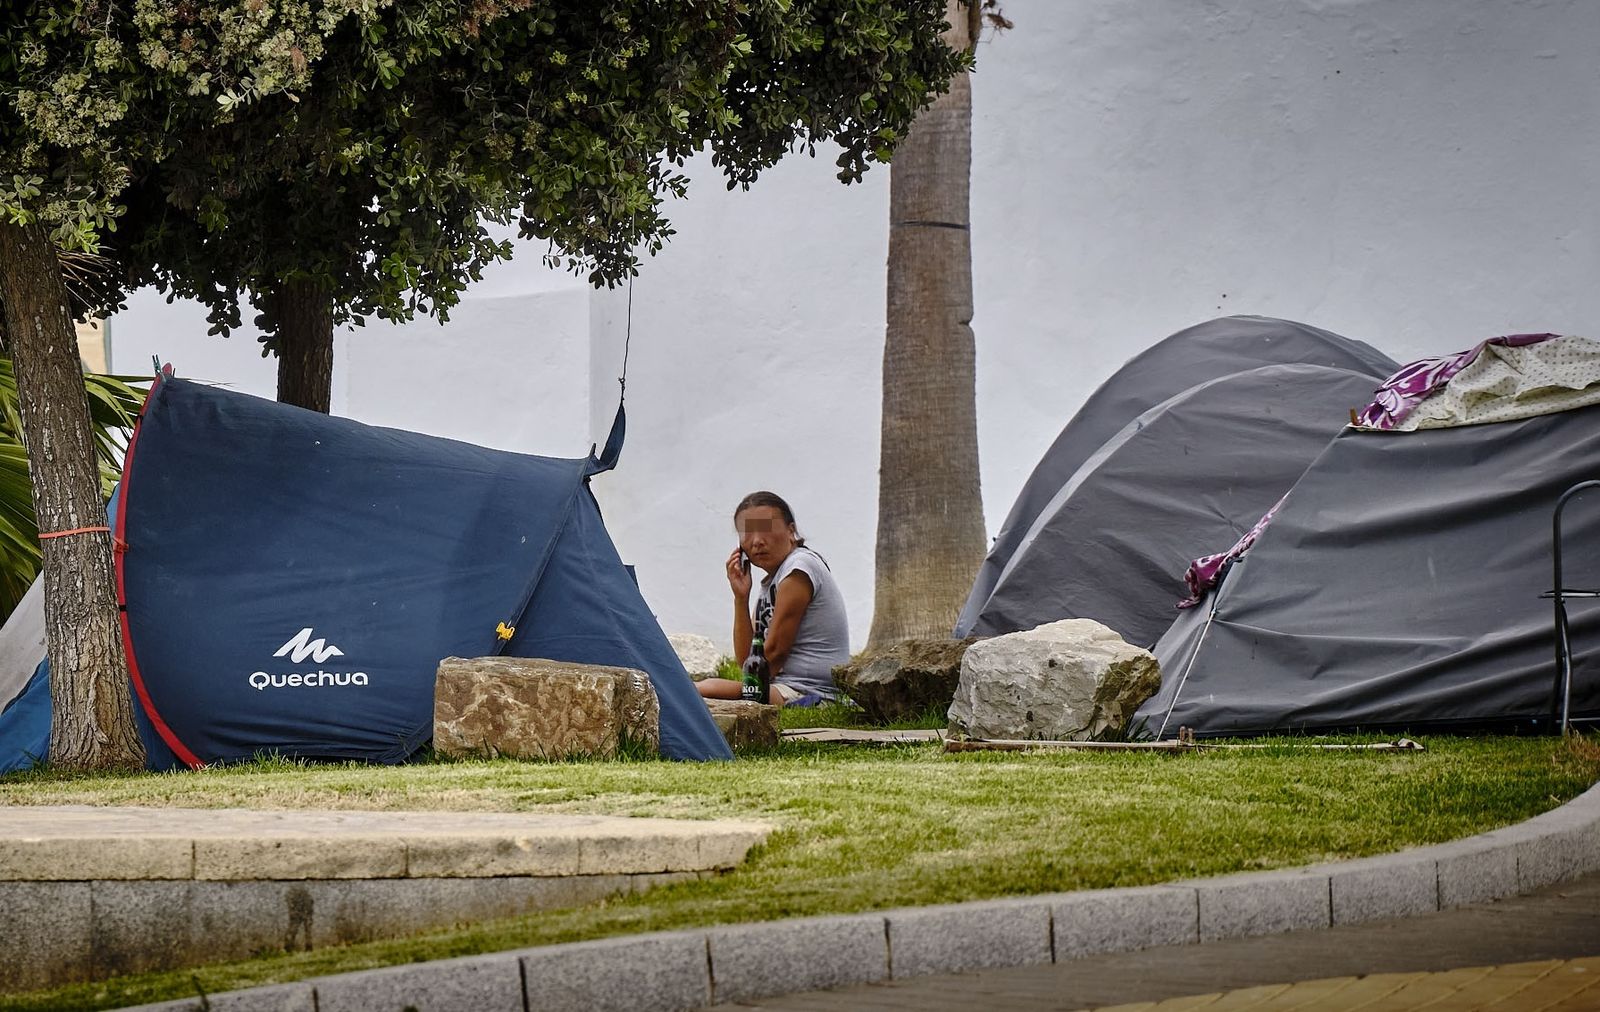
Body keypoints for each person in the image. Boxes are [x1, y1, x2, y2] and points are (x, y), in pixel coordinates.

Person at [696, 491, 850, 706]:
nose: (757, 541)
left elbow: (774, 654)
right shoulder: (773, 581)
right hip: (779, 687)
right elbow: (748, 664)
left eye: (766, 529)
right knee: (701, 690)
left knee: (701, 691)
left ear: (791, 531)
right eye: (747, 533)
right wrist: (741, 598)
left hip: (810, 692)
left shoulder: (799, 567)